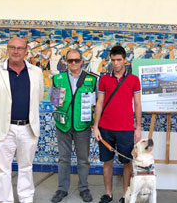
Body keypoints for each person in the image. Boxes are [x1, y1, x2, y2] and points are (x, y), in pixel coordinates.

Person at [0, 37, 44, 203]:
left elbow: (39, 98)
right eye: (13, 47)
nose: (16, 51)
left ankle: (26, 199)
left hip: (28, 129)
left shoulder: (36, 72)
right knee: (3, 170)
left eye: (20, 48)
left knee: (26, 167)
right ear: (7, 49)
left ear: (26, 51)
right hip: (3, 128)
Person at [93, 45, 142, 203]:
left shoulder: (134, 80)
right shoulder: (104, 79)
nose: (116, 63)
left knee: (127, 163)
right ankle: (108, 193)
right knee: (107, 162)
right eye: (113, 60)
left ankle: (125, 195)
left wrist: (138, 128)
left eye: (119, 60)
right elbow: (99, 103)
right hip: (105, 128)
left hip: (126, 129)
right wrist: (96, 127)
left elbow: (138, 104)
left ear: (125, 60)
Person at [50, 49, 97, 203]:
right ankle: (62, 189)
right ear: (66, 62)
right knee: (64, 159)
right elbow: (54, 102)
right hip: (63, 125)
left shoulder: (91, 79)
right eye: (71, 61)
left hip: (82, 126)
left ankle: (84, 188)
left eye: (77, 60)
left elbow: (98, 103)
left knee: (83, 160)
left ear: (82, 61)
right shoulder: (58, 79)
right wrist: (58, 99)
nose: (74, 63)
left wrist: (95, 123)